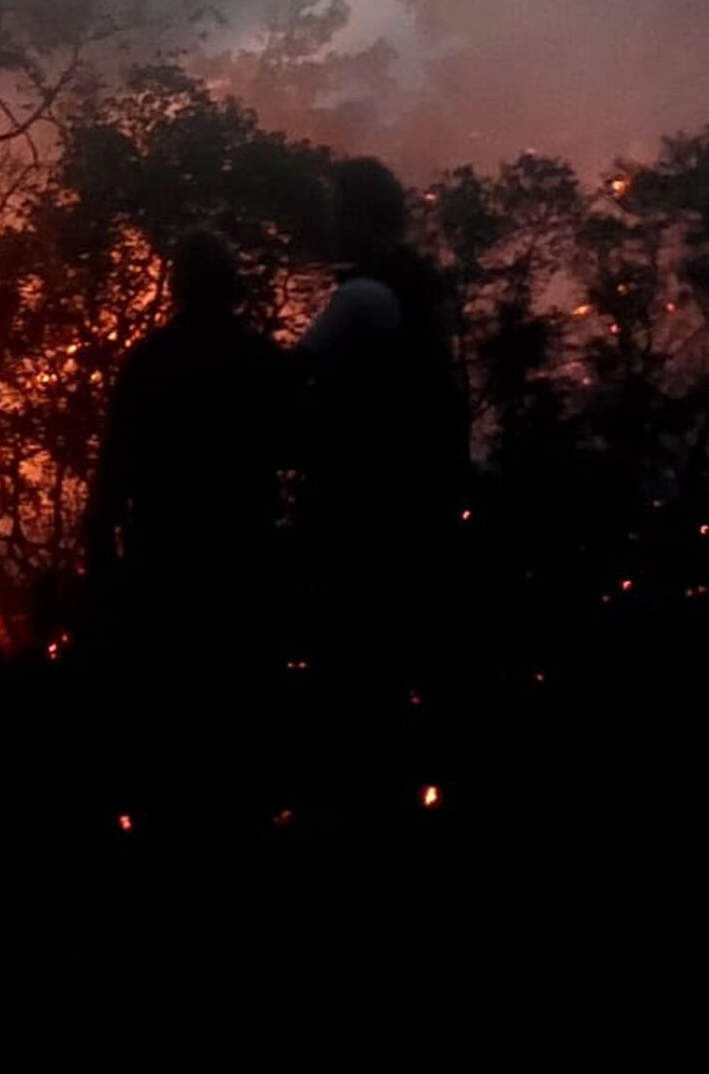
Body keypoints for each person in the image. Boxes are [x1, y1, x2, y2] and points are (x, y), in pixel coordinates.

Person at [81, 229, 289, 826]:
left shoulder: (149, 361)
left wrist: (100, 559)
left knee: (169, 727)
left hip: (165, 568)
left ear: (176, 290)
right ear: (232, 288)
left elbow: (114, 466)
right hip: (245, 568)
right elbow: (299, 446)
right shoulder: (260, 359)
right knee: (241, 725)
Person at [294, 157, 470, 799]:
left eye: (335, 208)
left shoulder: (365, 294)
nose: (325, 221)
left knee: (359, 672)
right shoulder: (416, 285)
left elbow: (289, 379)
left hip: (364, 508)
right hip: (414, 497)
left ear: (355, 215)